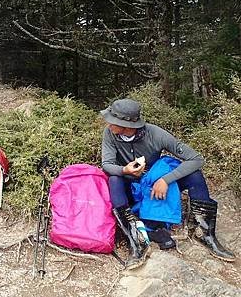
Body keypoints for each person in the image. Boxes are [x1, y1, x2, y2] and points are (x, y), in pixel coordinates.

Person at [101, 98, 236, 269]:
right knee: (114, 179)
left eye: (112, 121)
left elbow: (196, 159)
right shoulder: (110, 134)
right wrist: (124, 171)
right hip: (130, 186)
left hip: (153, 183)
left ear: (126, 125)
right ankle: (136, 241)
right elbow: (107, 164)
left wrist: (166, 180)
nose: (108, 124)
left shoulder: (155, 134)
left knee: (194, 176)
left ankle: (205, 233)